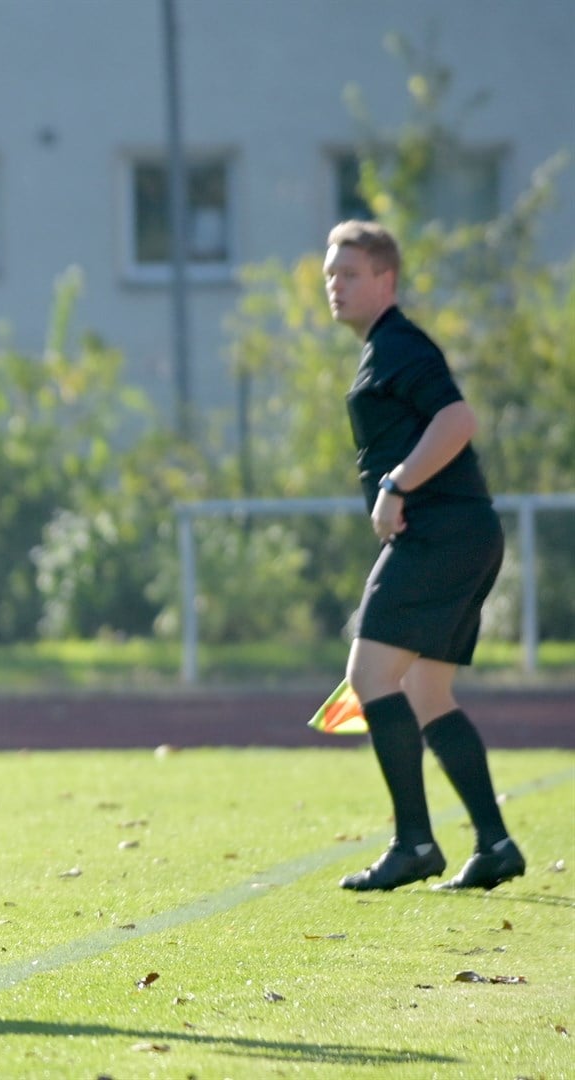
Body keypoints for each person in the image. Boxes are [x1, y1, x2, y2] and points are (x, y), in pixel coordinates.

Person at [322, 219, 525, 893]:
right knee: (424, 690)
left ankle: (413, 843)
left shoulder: (398, 344)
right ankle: (494, 844)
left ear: (386, 279)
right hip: (465, 534)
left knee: (368, 674)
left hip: (440, 534)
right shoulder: (384, 348)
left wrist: (394, 483)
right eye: (330, 273)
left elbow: (457, 420)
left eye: (349, 273)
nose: (335, 284)